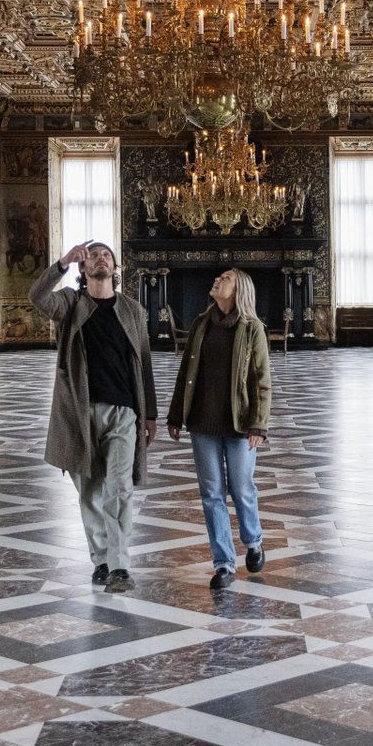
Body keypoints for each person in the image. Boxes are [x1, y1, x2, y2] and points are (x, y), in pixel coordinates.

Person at [30, 241, 158, 593]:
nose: (101, 259)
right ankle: (100, 559)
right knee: (90, 491)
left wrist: (151, 414)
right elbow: (37, 297)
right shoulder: (71, 304)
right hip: (78, 411)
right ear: (84, 270)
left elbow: (144, 362)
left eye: (107, 256)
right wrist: (61, 264)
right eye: (94, 256)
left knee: (119, 489)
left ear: (115, 268)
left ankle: (119, 567)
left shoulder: (133, 310)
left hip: (124, 412)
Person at [167, 269, 271, 590]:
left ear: (238, 288)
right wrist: (175, 415)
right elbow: (186, 372)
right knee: (211, 494)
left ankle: (253, 540)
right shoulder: (201, 324)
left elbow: (261, 381)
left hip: (240, 425)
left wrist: (258, 424)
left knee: (240, 489)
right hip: (202, 423)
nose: (216, 280)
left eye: (224, 278)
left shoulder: (252, 329)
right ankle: (224, 563)